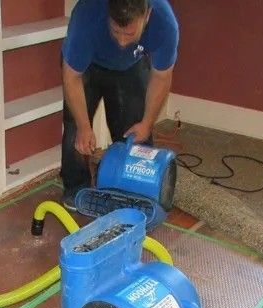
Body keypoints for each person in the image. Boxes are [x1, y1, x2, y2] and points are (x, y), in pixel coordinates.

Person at [60, 0, 179, 209]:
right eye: (116, 31)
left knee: (136, 134)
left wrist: (147, 123)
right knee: (76, 132)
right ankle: (76, 188)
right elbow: (72, 77)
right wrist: (84, 127)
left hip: (131, 65)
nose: (122, 42)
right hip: (87, 66)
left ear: (148, 15)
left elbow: (161, 77)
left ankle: (134, 191)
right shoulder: (87, 16)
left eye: (130, 34)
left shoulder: (164, 23)